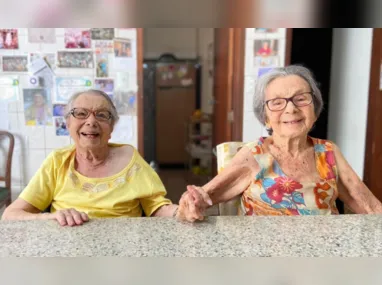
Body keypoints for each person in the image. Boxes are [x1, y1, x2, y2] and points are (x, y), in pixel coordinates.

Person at [177, 65, 382, 222]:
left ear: (314, 111)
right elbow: (206, 195)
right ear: (265, 117)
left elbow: (370, 206)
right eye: (277, 102)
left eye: (301, 99)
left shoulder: (328, 152)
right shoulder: (255, 154)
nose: (291, 109)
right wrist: (192, 202)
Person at [2, 89, 184, 226]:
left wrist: (182, 211)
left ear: (111, 128)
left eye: (102, 115)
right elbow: (11, 215)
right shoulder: (58, 162)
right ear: (68, 123)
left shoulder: (131, 160)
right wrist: (53, 216)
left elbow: (158, 207)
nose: (91, 122)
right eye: (81, 113)